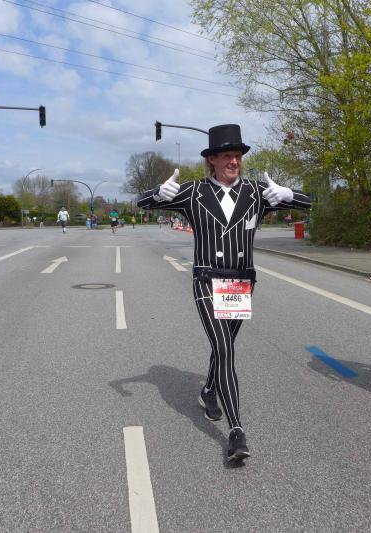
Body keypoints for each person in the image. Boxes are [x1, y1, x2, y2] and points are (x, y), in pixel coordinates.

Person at [138, 124, 311, 461]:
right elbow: (142, 201)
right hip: (207, 279)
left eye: (238, 156)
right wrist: (157, 193)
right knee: (224, 348)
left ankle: (208, 390)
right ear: (212, 160)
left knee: (225, 345)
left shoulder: (255, 192)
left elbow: (309, 203)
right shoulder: (194, 192)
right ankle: (236, 431)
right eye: (227, 156)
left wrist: (289, 194)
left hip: (241, 282)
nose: (234, 161)